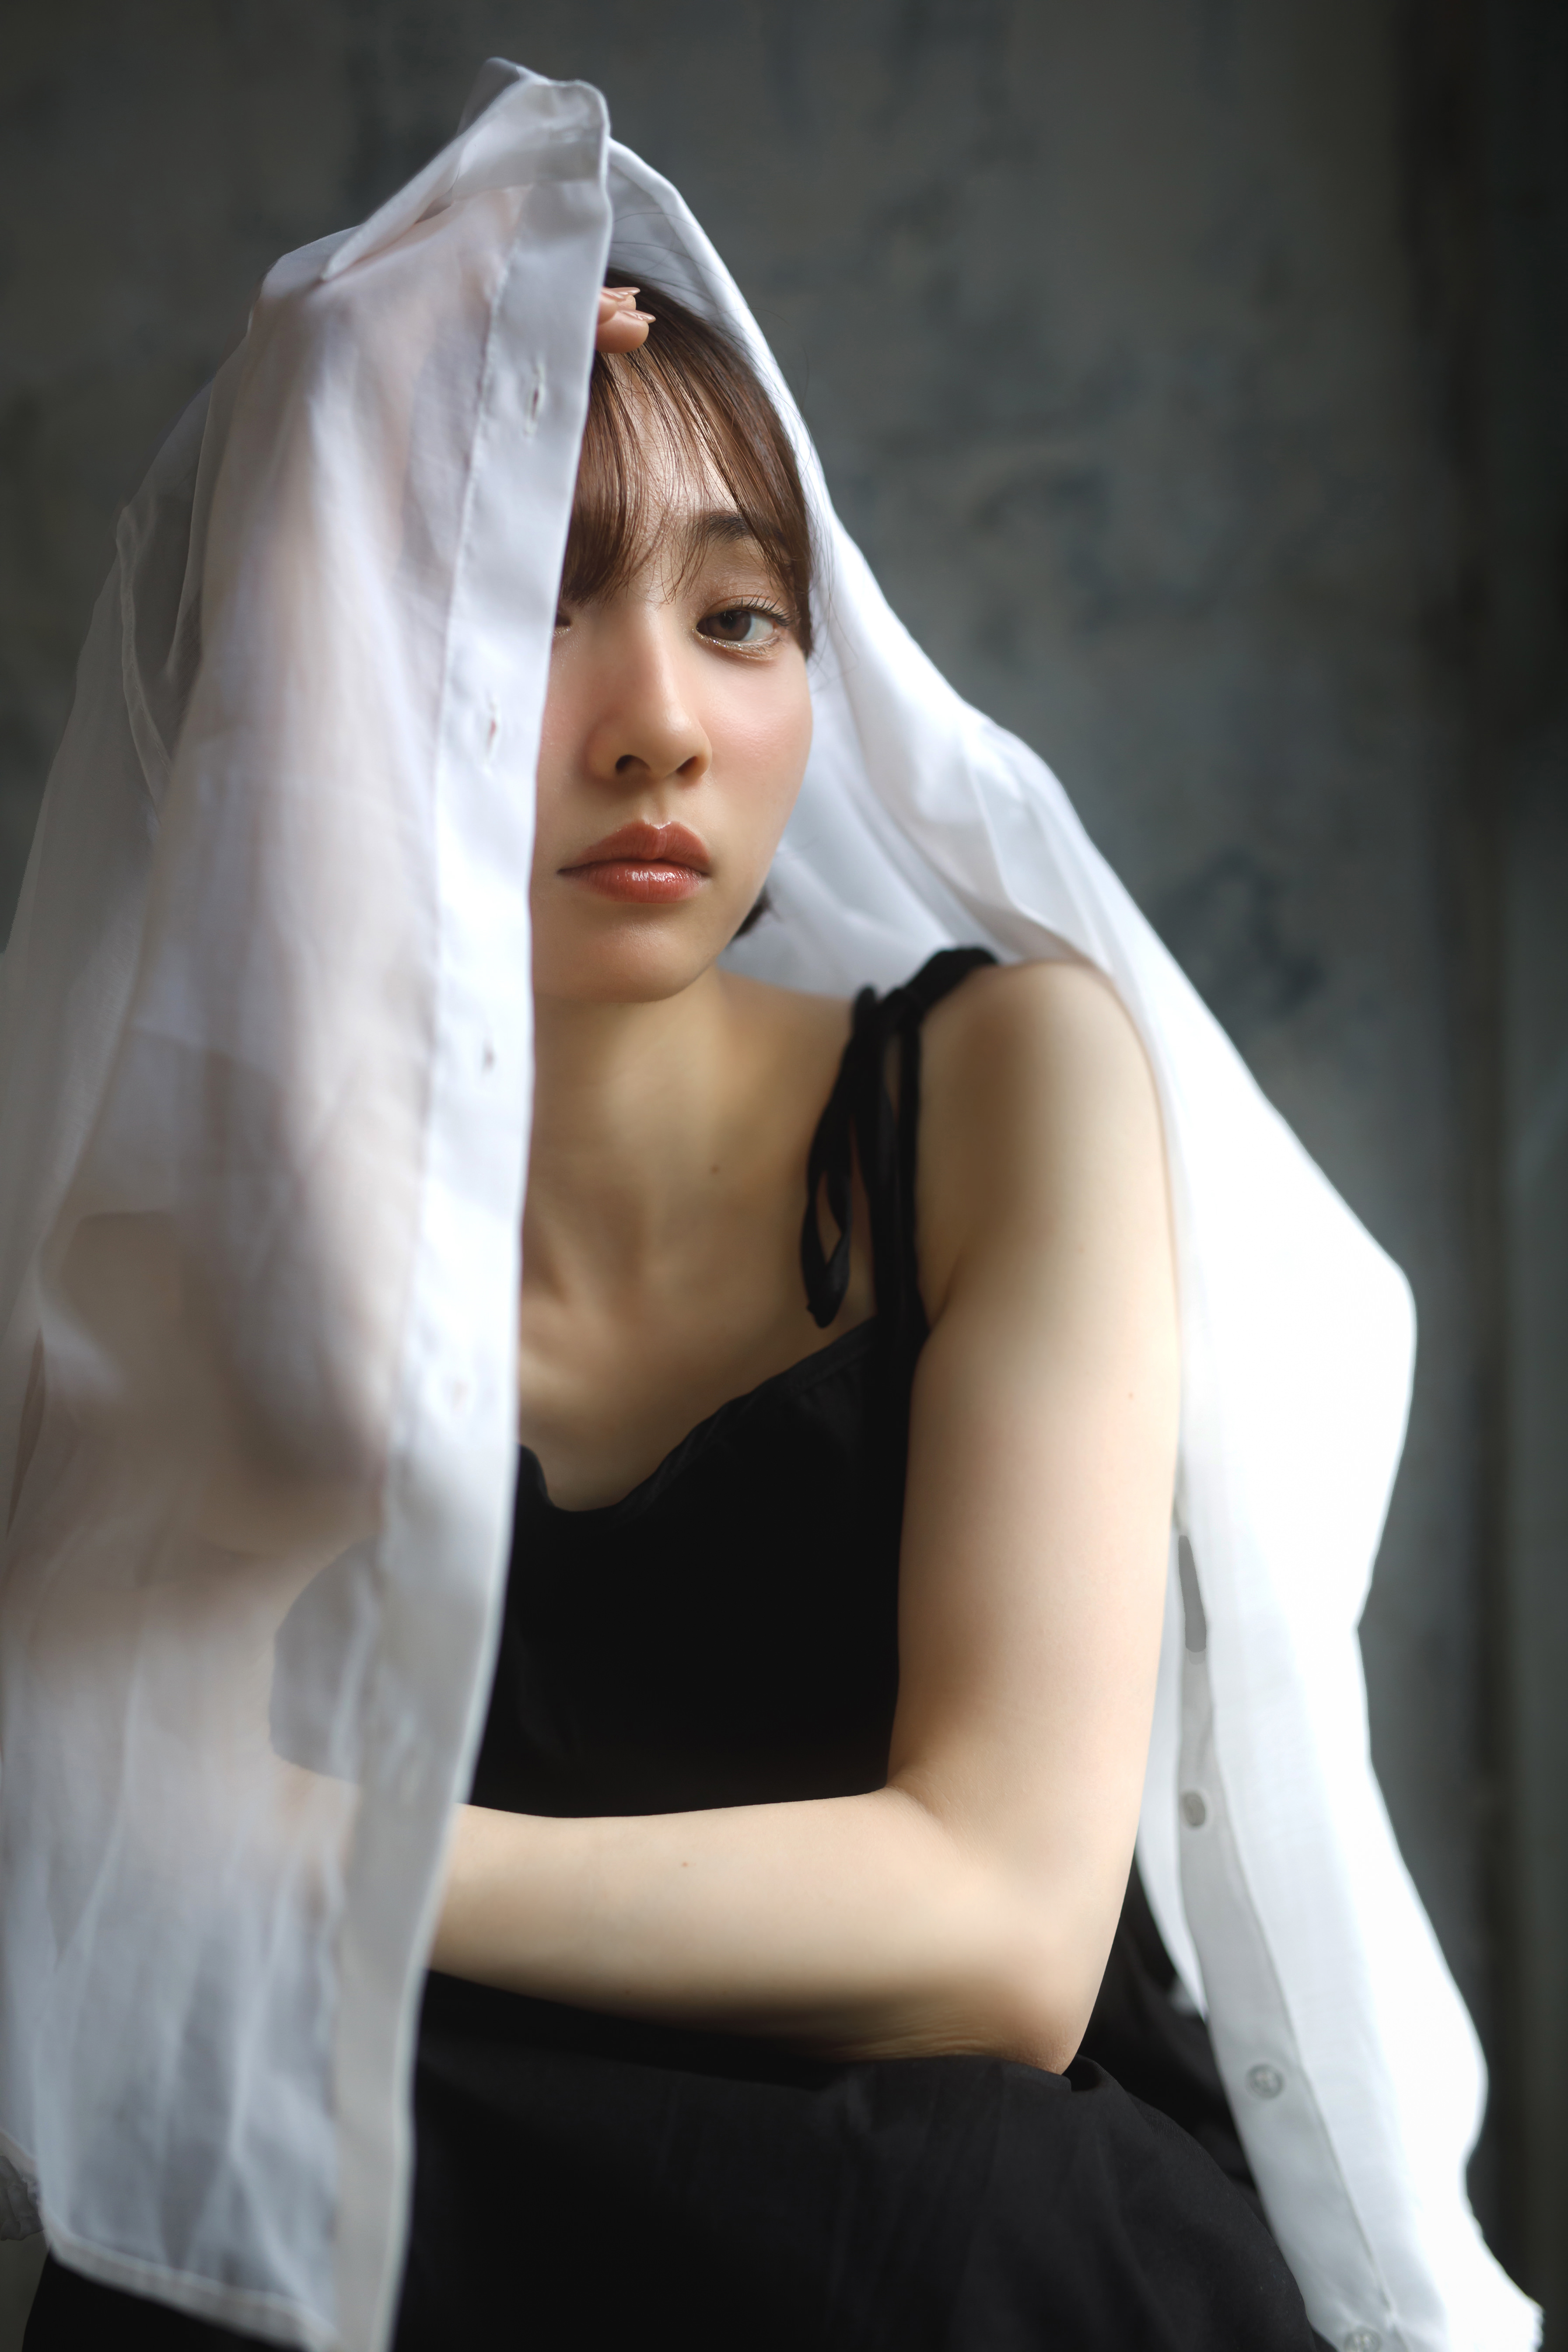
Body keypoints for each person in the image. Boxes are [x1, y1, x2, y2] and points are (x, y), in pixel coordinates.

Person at [0, 63, 1534, 2352]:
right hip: (460, 2188)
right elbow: (100, 1903)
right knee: (221, 2254)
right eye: (527, 605)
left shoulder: (1004, 1083)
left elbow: (1004, 1940)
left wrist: (324, 1845)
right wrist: (329, 494)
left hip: (943, 2210)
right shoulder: (194, 1233)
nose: (661, 727)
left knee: (959, 2193)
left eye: (742, 617)